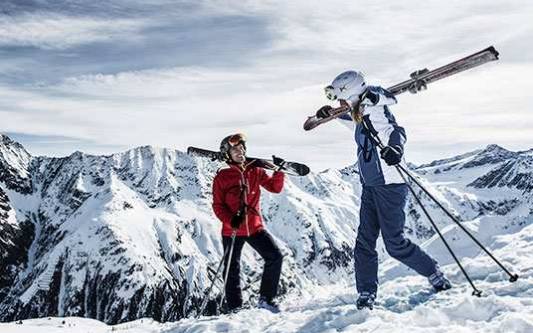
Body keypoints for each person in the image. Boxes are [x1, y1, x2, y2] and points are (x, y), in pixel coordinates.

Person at [317, 71, 451, 310]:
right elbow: (352, 120)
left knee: (394, 244)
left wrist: (395, 149)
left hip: (390, 185)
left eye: (339, 97)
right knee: (364, 243)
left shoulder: (375, 108)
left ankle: (433, 272)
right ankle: (366, 292)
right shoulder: (359, 114)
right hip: (370, 185)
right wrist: (330, 115)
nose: (338, 102)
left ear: (351, 93)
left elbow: (396, 130)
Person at [211, 133, 286, 313]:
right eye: (235, 149)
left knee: (275, 257)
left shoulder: (255, 171)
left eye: (242, 148)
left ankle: (266, 299)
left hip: (254, 228)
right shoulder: (222, 177)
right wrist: (230, 220)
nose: (241, 151)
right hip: (232, 230)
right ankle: (235, 307)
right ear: (228, 154)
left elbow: (275, 188)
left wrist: (279, 171)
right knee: (231, 270)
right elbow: (217, 206)